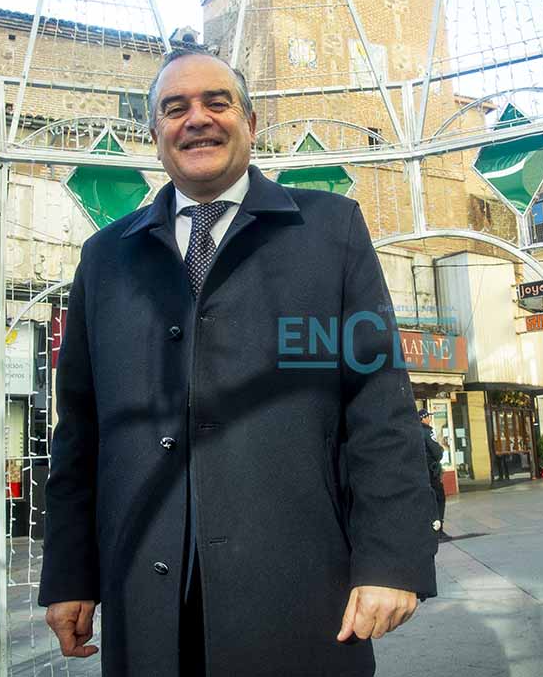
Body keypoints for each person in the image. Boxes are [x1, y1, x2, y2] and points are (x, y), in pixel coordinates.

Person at [39, 50, 437, 677]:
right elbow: (79, 431)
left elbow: (379, 405)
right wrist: (68, 573)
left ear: (250, 123)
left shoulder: (328, 231)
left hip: (299, 597)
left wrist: (392, 560)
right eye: (175, 108)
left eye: (216, 102)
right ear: (155, 136)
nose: (196, 119)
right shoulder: (105, 258)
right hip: (147, 603)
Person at [419, 409, 447, 541]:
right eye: (428, 417)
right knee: (439, 498)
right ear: (423, 418)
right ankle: (438, 528)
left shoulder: (413, 431)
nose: (429, 419)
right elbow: (437, 452)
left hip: (420, 472)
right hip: (431, 471)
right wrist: (440, 450)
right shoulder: (427, 431)